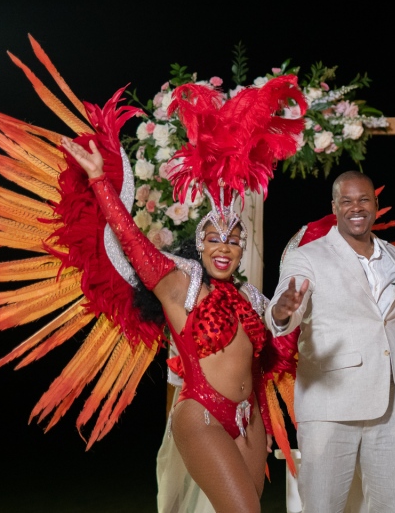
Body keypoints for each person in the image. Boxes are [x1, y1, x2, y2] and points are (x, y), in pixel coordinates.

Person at [59, 75, 306, 513]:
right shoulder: (180, 284)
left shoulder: (251, 298)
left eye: (233, 240)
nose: (224, 247)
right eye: (215, 239)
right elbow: (131, 239)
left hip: (249, 422)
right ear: (201, 242)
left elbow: (272, 357)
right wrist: (99, 181)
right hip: (203, 416)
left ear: (241, 248)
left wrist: (284, 316)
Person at [264, 170, 395, 512]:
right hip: (330, 404)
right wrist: (284, 311)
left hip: (391, 405)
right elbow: (287, 303)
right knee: (323, 505)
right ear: (334, 207)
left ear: (376, 205)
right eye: (346, 201)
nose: (355, 207)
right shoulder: (308, 257)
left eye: (363, 199)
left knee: (392, 503)